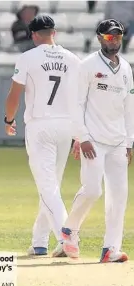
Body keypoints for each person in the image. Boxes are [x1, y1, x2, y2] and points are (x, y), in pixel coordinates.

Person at [4, 15, 81, 257]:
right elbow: (82, 99)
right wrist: (80, 133)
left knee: (47, 186)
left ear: (34, 35)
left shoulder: (28, 57)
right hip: (67, 126)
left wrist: (8, 120)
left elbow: (14, 95)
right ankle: (40, 242)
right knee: (51, 186)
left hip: (40, 125)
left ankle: (66, 235)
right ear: (54, 33)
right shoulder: (73, 59)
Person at [62, 19, 133, 263]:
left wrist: (129, 142)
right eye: (109, 37)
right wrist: (81, 137)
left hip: (117, 142)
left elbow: (129, 107)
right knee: (93, 190)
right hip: (93, 140)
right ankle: (70, 228)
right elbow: (76, 104)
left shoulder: (125, 67)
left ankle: (110, 249)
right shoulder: (87, 66)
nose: (114, 41)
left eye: (118, 36)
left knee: (119, 196)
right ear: (99, 37)